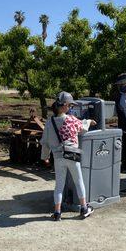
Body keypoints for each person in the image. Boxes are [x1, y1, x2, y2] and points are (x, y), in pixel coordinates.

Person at [40, 91, 96, 221]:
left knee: (59, 185)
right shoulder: (71, 120)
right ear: (64, 105)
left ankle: (57, 212)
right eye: (70, 106)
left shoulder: (49, 122)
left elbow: (45, 142)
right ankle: (84, 208)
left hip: (58, 157)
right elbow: (83, 127)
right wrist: (89, 121)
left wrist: (45, 157)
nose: (71, 108)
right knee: (78, 181)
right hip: (72, 155)